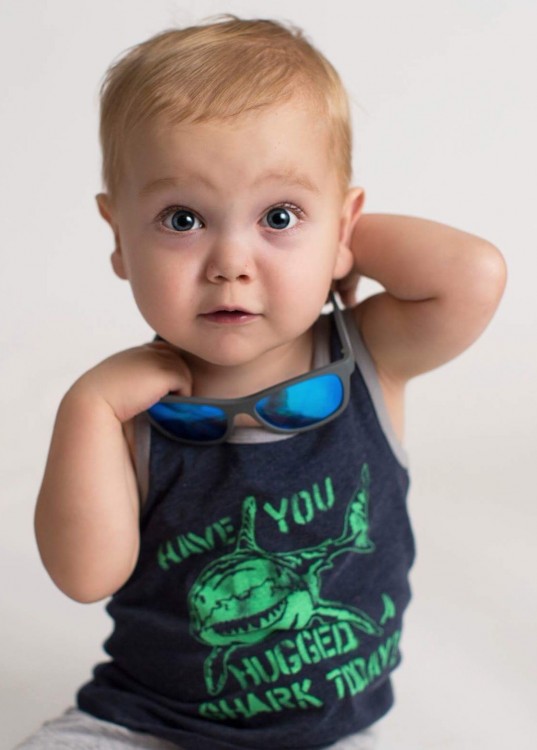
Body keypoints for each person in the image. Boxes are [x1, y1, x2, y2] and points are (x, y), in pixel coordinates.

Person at [17, 13, 506, 750]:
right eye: (182, 218)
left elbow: (473, 275)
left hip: (328, 736)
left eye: (278, 215)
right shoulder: (128, 413)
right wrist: (86, 408)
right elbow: (86, 576)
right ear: (118, 237)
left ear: (341, 227)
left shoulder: (370, 357)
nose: (230, 261)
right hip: (148, 722)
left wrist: (332, 245)